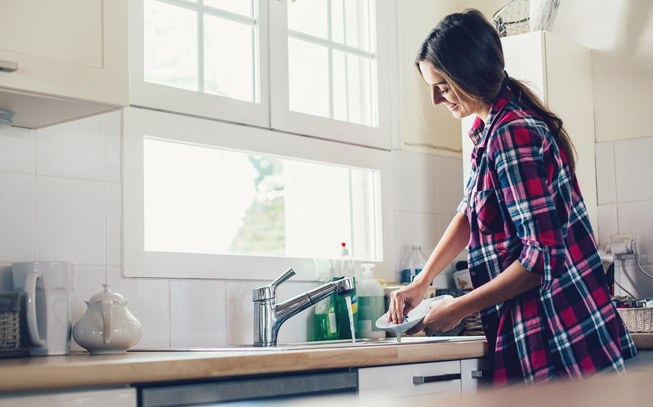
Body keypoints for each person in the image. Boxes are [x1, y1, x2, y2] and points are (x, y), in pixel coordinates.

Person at [388, 9, 637, 385]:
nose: (438, 100)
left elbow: (539, 261)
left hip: (561, 337)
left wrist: (457, 308)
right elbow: (471, 213)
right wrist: (423, 280)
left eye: (442, 86)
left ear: (468, 73)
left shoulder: (512, 134)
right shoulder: (488, 131)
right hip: (546, 332)